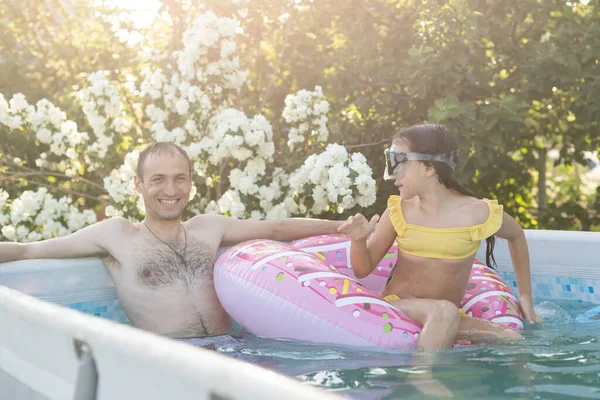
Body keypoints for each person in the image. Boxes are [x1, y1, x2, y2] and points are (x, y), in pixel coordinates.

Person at [0, 142, 343, 339]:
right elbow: (27, 250)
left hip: (237, 354)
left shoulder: (208, 228)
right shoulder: (116, 235)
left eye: (180, 179)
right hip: (176, 367)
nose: (170, 190)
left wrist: (342, 226)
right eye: (158, 179)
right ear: (138, 184)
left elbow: (275, 229)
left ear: (191, 182)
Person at [338, 123, 542, 350]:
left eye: (400, 163)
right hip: (398, 308)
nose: (394, 174)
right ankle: (422, 377)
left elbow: (516, 235)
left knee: (512, 340)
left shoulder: (476, 213)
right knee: (444, 310)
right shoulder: (400, 210)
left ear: (428, 168)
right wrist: (358, 241)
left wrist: (525, 297)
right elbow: (363, 268)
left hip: (444, 318)